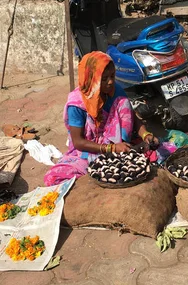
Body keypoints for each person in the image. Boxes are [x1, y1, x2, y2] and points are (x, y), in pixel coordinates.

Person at [44, 51, 158, 185]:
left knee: (124, 102)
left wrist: (145, 134)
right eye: (104, 79)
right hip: (91, 149)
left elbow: (132, 116)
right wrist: (111, 148)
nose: (110, 82)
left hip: (120, 146)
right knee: (54, 177)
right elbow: (78, 142)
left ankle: (123, 151)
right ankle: (118, 154)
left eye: (112, 76)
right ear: (91, 78)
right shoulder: (76, 104)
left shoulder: (116, 91)